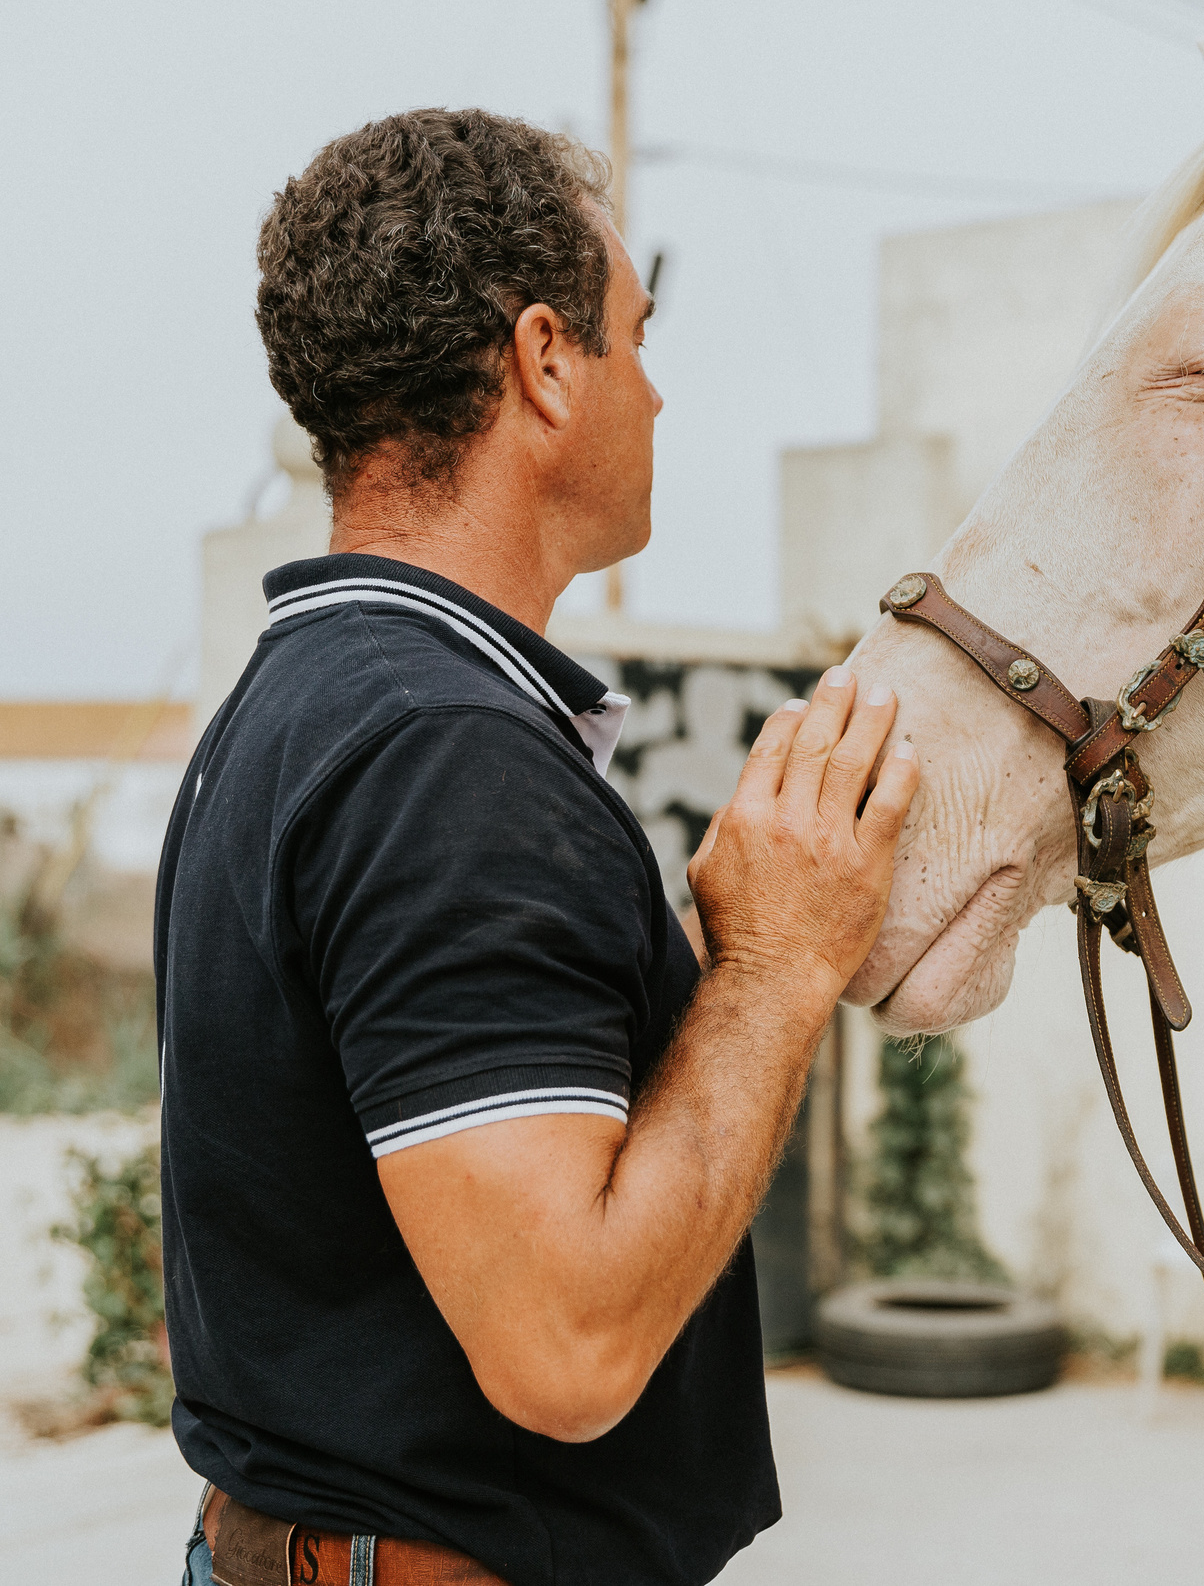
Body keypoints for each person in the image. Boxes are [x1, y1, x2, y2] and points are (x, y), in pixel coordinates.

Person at [155, 108, 917, 1586]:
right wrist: (775, 968)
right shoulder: (446, 756)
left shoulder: (296, 702)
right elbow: (567, 1345)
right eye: (637, 336)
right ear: (545, 361)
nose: (655, 391)